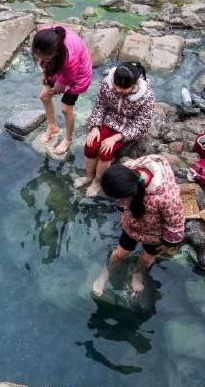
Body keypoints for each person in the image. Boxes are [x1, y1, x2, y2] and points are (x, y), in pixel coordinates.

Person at [92, 155, 185, 296]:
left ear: (129, 194)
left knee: (147, 258)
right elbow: (123, 203)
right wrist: (124, 214)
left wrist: (168, 243)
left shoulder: (166, 197)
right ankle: (105, 274)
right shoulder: (129, 171)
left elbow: (175, 222)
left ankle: (137, 274)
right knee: (119, 253)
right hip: (132, 224)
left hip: (154, 233)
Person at [76, 62, 155, 197]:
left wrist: (116, 137)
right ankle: (89, 176)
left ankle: (97, 181)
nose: (118, 90)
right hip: (109, 120)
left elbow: (142, 124)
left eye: (124, 88)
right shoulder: (107, 84)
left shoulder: (147, 97)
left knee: (105, 151)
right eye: (116, 85)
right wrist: (95, 127)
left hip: (128, 127)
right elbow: (100, 105)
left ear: (134, 84)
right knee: (91, 145)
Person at [31, 25, 93, 154]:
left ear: (54, 51)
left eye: (45, 56)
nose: (42, 58)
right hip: (58, 66)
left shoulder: (70, 56)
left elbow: (68, 78)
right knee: (44, 96)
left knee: (65, 109)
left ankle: (68, 139)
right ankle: (52, 127)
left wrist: (58, 87)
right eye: (39, 55)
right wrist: (45, 74)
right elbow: (44, 61)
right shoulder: (46, 38)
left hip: (79, 75)